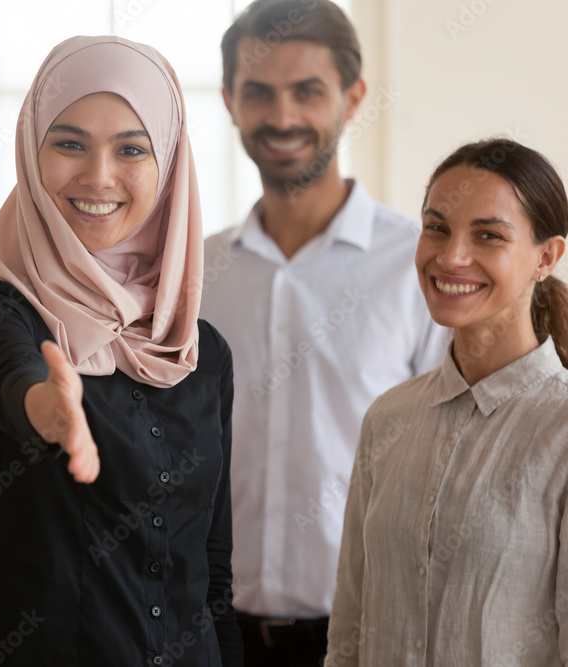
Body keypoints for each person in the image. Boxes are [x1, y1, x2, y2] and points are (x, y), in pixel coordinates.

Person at [0, 35, 241, 666]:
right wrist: (45, 407)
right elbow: (5, 373)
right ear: (30, 151)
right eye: (69, 142)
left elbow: (210, 568)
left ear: (171, 165)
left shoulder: (199, 351)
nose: (97, 176)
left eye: (132, 148)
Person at [199, 1, 450, 664]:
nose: (282, 118)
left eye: (307, 91)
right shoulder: (194, 273)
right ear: (230, 101)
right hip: (210, 636)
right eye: (259, 93)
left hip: (371, 636)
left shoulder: (420, 267)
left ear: (353, 96)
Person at [326, 138, 568, 664]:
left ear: (545, 257)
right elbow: (348, 627)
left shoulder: (560, 430)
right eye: (437, 228)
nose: (451, 257)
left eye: (488, 235)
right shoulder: (388, 417)